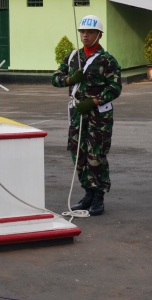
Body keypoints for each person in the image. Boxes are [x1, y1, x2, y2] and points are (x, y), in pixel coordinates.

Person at [51, 15, 122, 217]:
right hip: (77, 114)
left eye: (89, 32)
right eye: (82, 31)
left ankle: (98, 195)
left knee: (96, 154)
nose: (85, 35)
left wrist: (95, 101)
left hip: (98, 116)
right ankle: (87, 193)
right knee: (78, 153)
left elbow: (115, 87)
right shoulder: (73, 57)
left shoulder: (107, 60)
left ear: (99, 35)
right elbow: (55, 79)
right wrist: (69, 79)